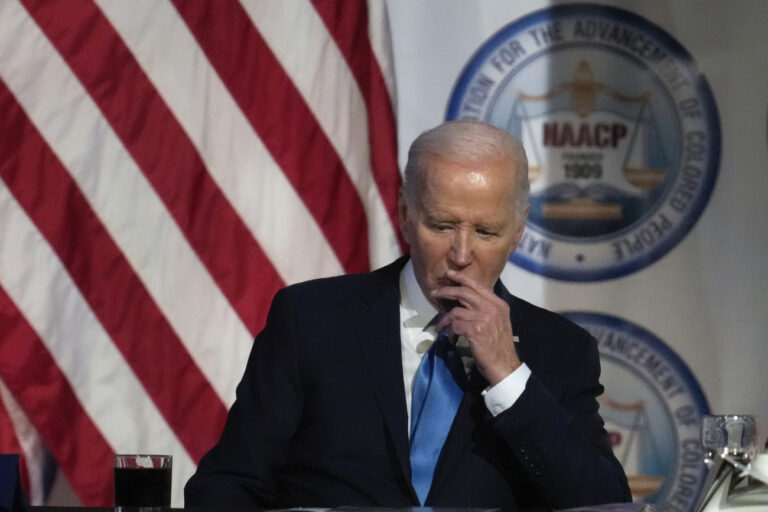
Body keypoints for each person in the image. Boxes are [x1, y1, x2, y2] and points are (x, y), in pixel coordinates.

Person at [185, 120, 631, 510]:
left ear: (517, 233)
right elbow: (229, 485)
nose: (461, 254)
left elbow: (603, 504)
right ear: (404, 214)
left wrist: (509, 376)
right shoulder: (311, 322)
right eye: (441, 226)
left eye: (485, 231)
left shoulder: (560, 351)